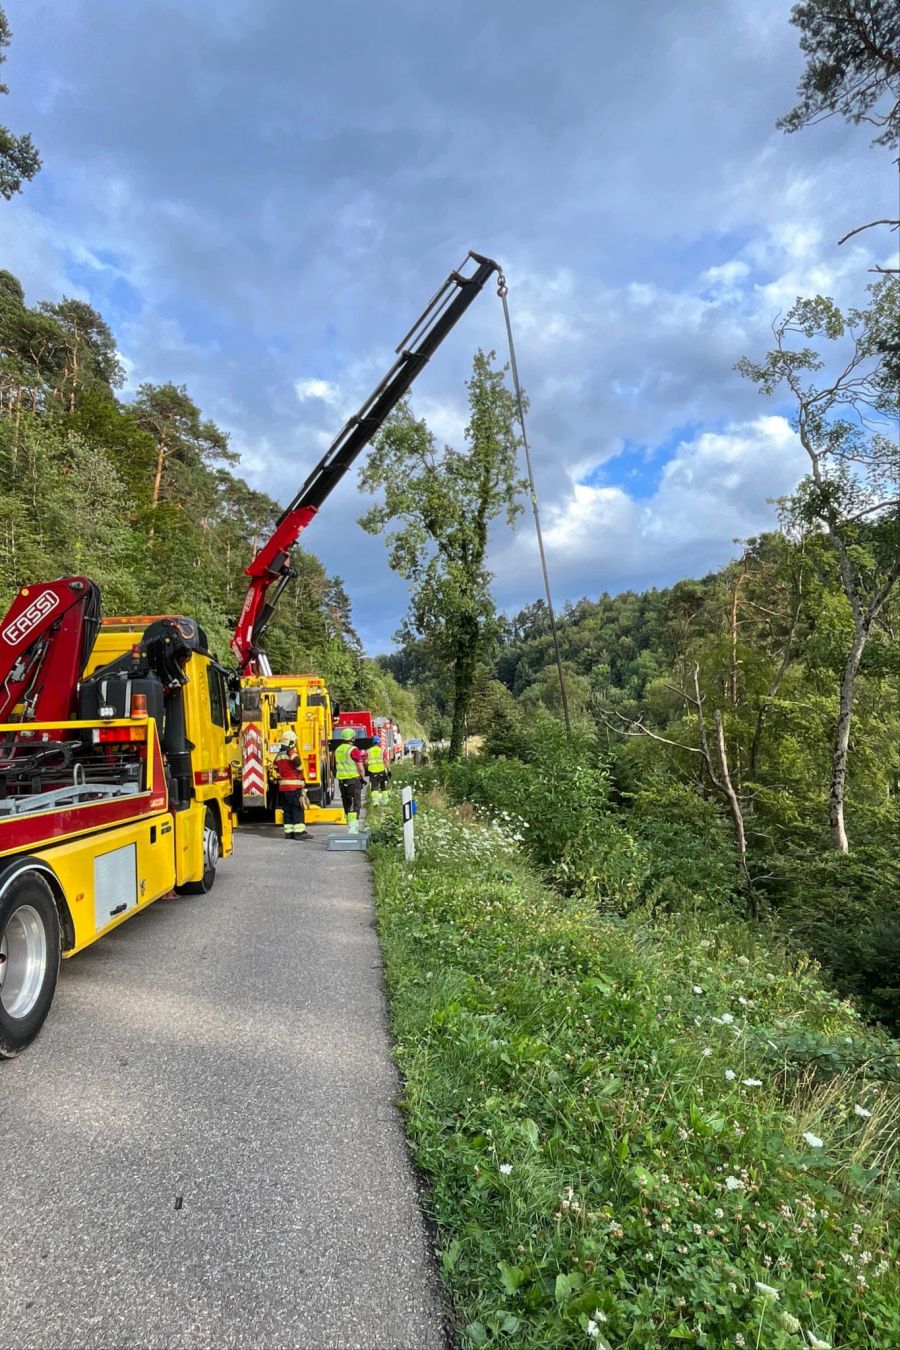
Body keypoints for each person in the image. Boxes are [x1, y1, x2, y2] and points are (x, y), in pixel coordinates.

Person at [272, 728, 311, 841]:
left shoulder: (279, 754)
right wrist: (299, 770)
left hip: (283, 787)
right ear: (291, 742)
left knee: (287, 810)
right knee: (297, 809)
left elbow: (275, 767)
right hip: (294, 786)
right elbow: (297, 762)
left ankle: (289, 833)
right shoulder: (291, 752)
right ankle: (299, 833)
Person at [335, 726, 365, 833]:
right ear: (352, 738)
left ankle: (351, 826)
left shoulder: (338, 750)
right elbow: (360, 767)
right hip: (353, 780)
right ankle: (353, 830)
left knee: (347, 804)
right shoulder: (353, 750)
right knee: (354, 805)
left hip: (342, 782)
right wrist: (362, 777)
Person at [367, 734, 390, 803]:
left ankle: (375, 802)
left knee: (374, 788)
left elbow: (365, 761)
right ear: (378, 743)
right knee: (383, 787)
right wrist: (389, 770)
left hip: (373, 771)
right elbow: (385, 761)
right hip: (381, 771)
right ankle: (385, 801)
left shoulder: (368, 751)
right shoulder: (382, 751)